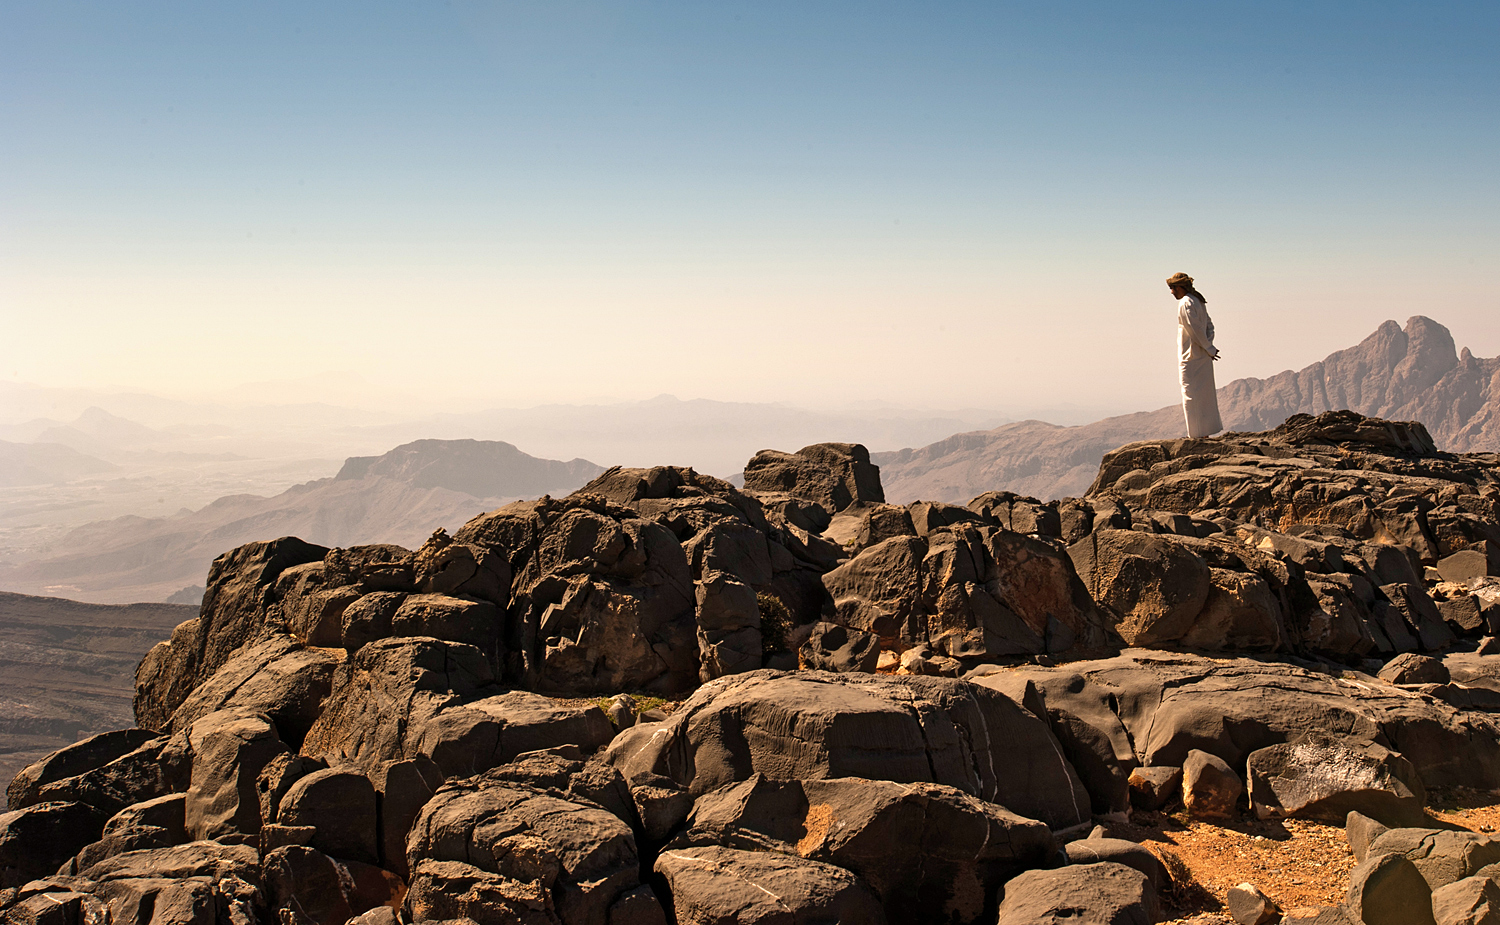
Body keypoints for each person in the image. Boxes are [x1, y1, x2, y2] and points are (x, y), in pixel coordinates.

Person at [1168, 271, 1223, 437]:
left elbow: (1194, 329)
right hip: (1201, 354)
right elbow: (1209, 327)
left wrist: (1208, 348)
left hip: (1190, 356)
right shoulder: (1198, 301)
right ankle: (1203, 432)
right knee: (1204, 393)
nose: (1171, 292)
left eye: (1173, 288)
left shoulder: (1186, 303)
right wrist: (1208, 345)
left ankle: (1196, 435)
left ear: (1181, 287)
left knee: (1190, 392)